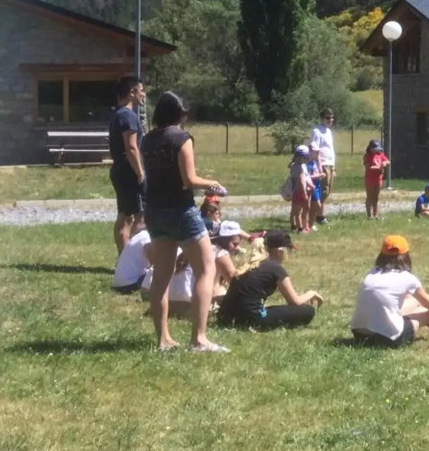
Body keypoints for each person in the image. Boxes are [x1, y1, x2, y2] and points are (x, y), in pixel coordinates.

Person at [139, 90, 227, 353]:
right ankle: (199, 339)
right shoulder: (181, 138)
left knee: (161, 276)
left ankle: (163, 339)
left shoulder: (147, 140)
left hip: (155, 212)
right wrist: (212, 183)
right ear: (180, 114)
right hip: (181, 211)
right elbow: (188, 180)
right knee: (206, 270)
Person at [217, 228, 326, 331]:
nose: (288, 254)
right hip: (251, 320)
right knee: (308, 310)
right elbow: (295, 302)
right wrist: (311, 294)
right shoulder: (276, 269)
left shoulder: (253, 264)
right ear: (280, 251)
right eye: (288, 250)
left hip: (226, 317)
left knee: (274, 309)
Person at [107, 75, 146, 254]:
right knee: (140, 217)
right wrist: (140, 173)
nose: (143, 95)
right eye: (141, 90)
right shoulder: (128, 116)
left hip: (120, 170)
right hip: (129, 173)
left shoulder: (118, 114)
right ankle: (135, 259)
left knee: (124, 217)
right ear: (132, 92)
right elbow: (131, 148)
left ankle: (124, 259)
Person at [309, 109, 337, 222]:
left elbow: (330, 149)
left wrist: (334, 167)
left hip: (330, 164)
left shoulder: (328, 131)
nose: (330, 120)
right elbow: (315, 149)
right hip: (323, 164)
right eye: (327, 118)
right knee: (322, 191)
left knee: (327, 191)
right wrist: (319, 166)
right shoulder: (317, 131)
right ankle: (316, 215)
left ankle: (319, 214)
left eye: (332, 117)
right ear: (322, 118)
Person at [287, 145, 315, 233]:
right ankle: (300, 229)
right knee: (298, 212)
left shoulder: (295, 165)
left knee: (295, 210)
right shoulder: (299, 168)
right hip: (300, 192)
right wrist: (305, 194)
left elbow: (305, 178)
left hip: (296, 191)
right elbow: (302, 181)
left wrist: (310, 185)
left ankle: (295, 226)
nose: (307, 159)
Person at [363, 140, 389, 220]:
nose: (377, 151)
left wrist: (385, 163)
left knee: (376, 197)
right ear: (370, 148)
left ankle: (376, 214)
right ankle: (369, 215)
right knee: (370, 196)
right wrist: (379, 167)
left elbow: (387, 161)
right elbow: (368, 167)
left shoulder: (380, 154)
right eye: (375, 149)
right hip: (370, 179)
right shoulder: (367, 156)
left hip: (378, 179)